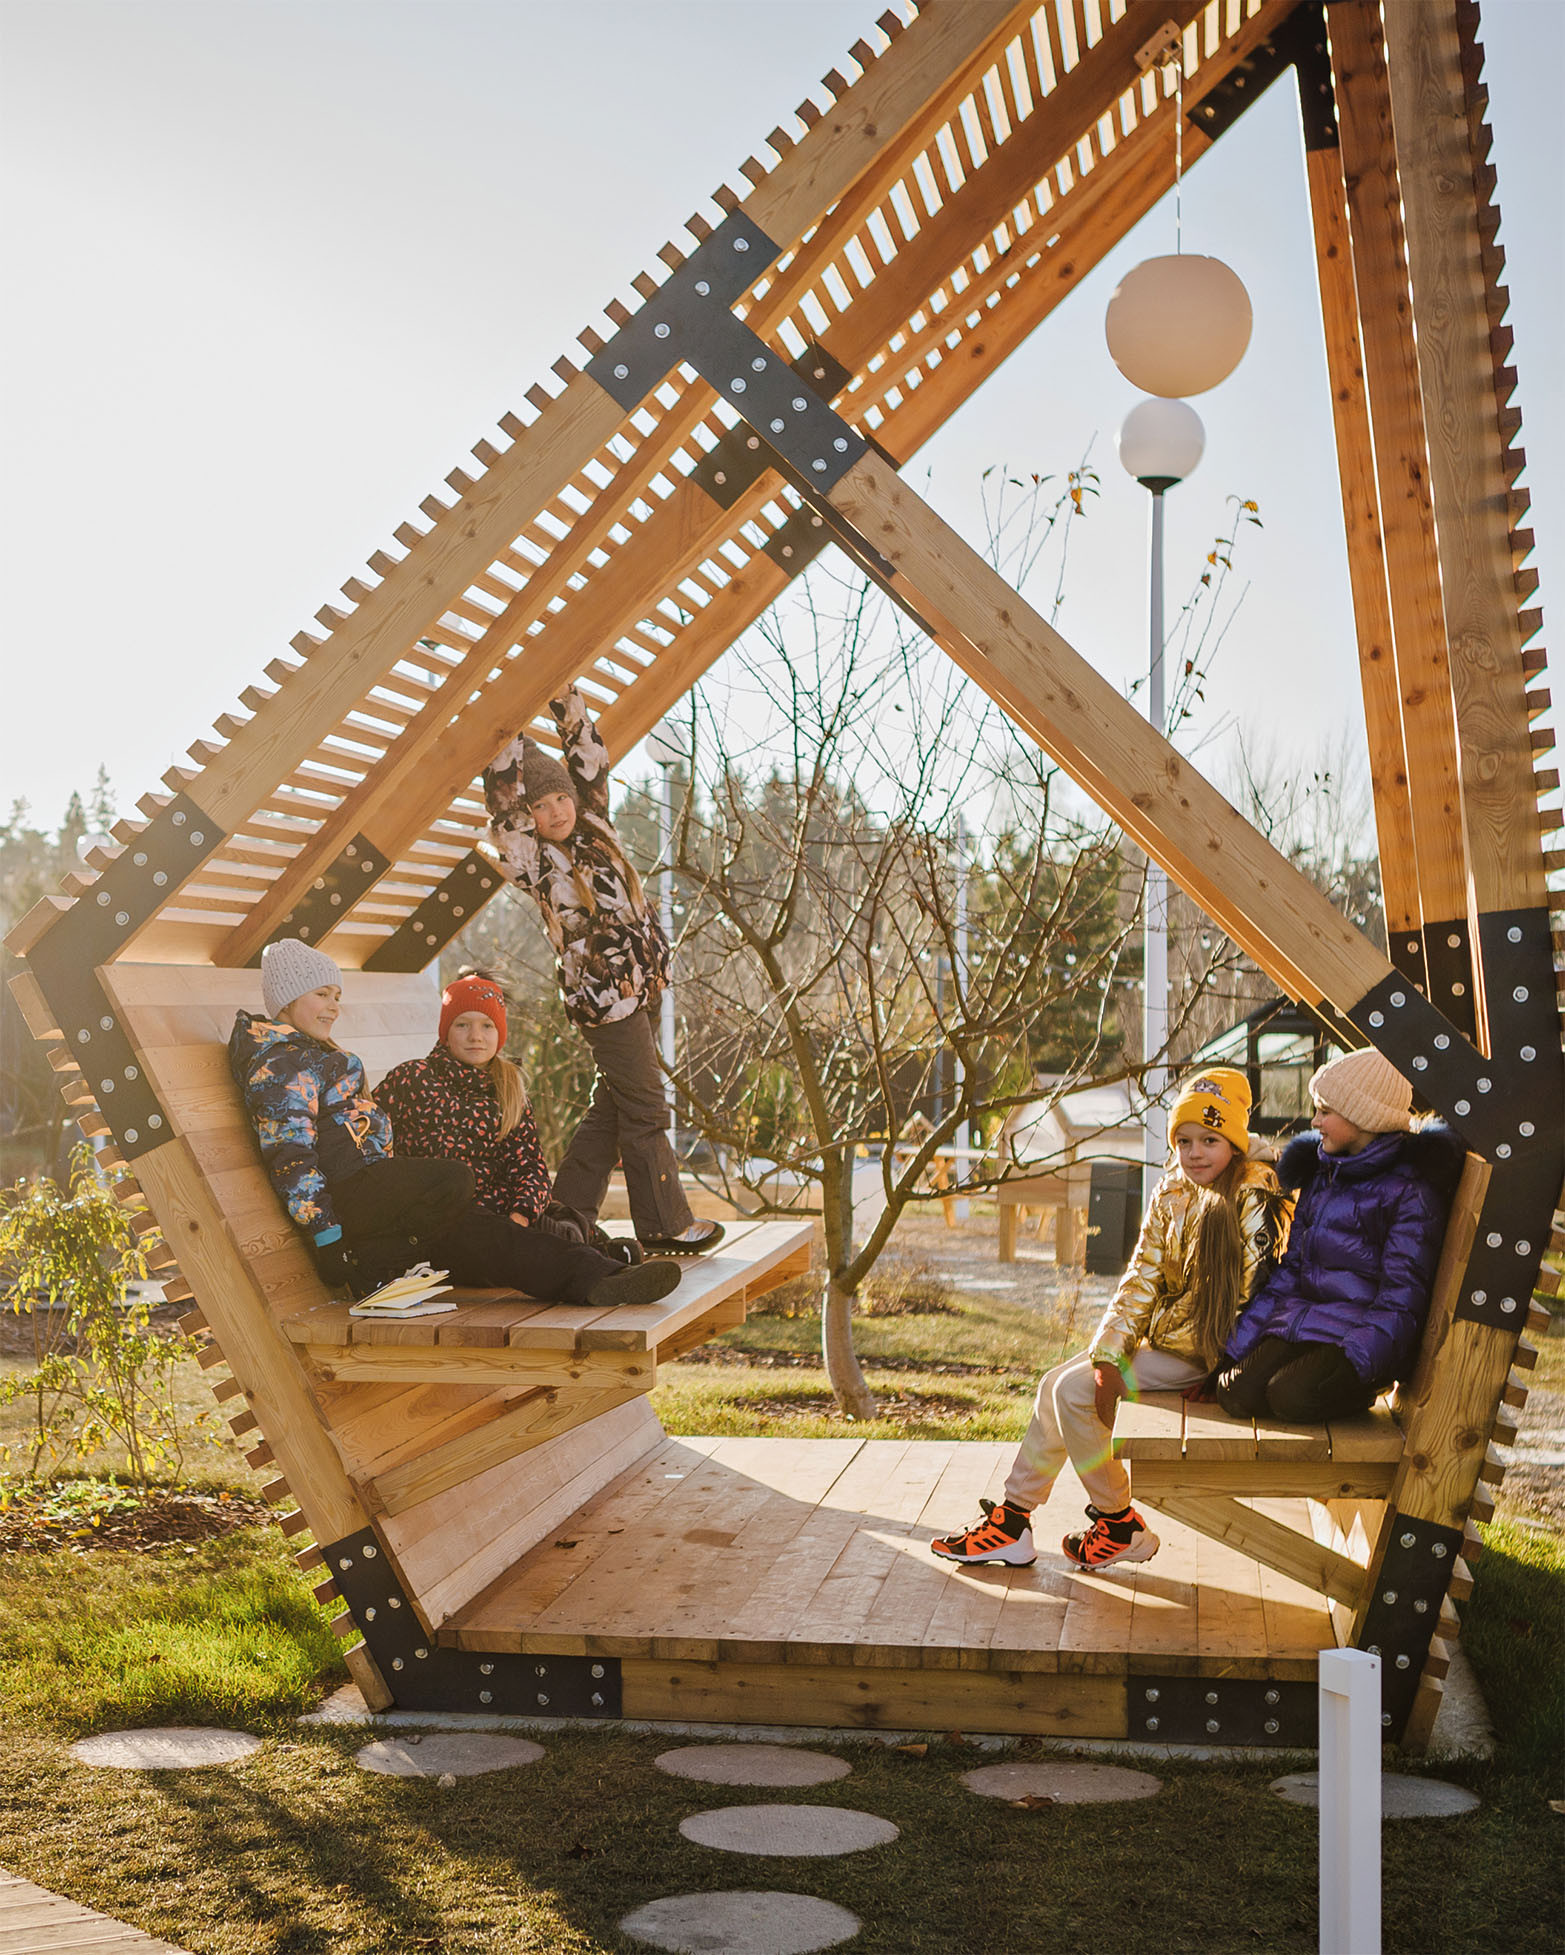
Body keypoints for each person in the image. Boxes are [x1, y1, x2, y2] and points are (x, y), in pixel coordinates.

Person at [931, 1067, 1291, 1572]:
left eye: (1210, 1140)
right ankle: (1013, 1521)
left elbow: (1257, 1291)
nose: (1194, 1153)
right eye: (1184, 1141)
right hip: (1167, 1340)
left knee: (1072, 1393)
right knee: (1054, 1385)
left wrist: (1224, 1368)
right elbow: (1141, 1276)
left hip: (1208, 1354)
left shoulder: (1253, 1189)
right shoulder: (1173, 1189)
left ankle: (1118, 1524)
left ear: (1233, 1141)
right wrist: (1108, 1354)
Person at [229, 937, 681, 1310]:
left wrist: (519, 1210)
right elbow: (292, 1156)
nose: (333, 1007)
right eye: (322, 995)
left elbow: (527, 1164)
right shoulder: (281, 1066)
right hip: (353, 1202)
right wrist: (328, 1239)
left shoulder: (316, 1057)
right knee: (454, 1181)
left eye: (336, 997)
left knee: (494, 1237)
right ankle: (389, 1261)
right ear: (288, 998)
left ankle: (600, 1277)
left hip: (395, 1208)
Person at [484, 686, 723, 1256]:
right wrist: (505, 728)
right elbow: (504, 798)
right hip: (605, 1000)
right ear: (527, 818)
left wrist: (563, 699)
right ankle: (664, 1223)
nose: (555, 811)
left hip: (644, 984)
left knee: (612, 1109)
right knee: (645, 1106)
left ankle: (563, 1218)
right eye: (540, 807)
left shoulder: (594, 823)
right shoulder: (533, 859)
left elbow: (589, 757)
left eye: (559, 798)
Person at [1216, 1048, 1462, 1424]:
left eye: (1325, 1111)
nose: (1315, 1122)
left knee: (1289, 1396)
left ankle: (1358, 1390)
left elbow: (1401, 1297)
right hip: (1305, 1322)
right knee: (1233, 1392)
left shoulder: (1408, 1191)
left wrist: (1358, 1361)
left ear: (1364, 1117)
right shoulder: (1323, 1174)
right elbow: (1292, 1270)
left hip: (1359, 1336)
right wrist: (1235, 1349)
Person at [376, 966, 637, 1258]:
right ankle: (589, 1251)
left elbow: (529, 1164)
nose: (475, 1036)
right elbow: (370, 1134)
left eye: (487, 1026)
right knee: (545, 1244)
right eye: (462, 1025)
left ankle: (591, 1245)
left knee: (548, 1224)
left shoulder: (508, 1089)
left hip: (503, 1213)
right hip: (444, 1215)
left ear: (500, 1033)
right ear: (445, 1032)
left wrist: (520, 1215)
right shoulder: (413, 1079)